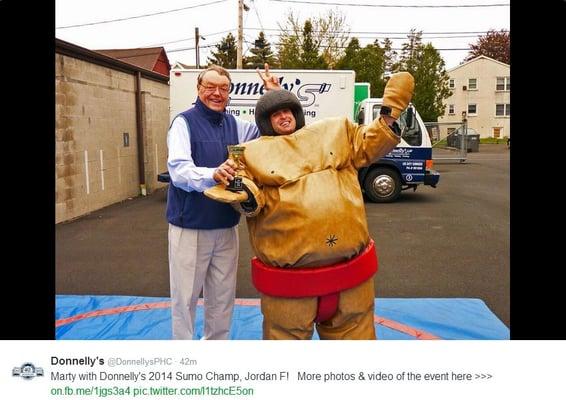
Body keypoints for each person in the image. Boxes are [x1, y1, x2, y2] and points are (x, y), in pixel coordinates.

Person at [205, 69, 414, 339]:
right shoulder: (251, 152)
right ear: (265, 122)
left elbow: (367, 144)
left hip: (350, 280)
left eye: (288, 110)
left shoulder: (334, 131)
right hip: (291, 287)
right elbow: (243, 185)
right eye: (275, 113)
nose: (284, 116)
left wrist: (389, 114)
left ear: (298, 112)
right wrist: (242, 192)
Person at [166, 65, 262, 340]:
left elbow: (268, 134)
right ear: (198, 89)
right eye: (210, 87)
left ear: (229, 92)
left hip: (225, 227)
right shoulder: (183, 123)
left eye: (223, 88)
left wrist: (273, 93)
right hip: (190, 227)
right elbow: (179, 170)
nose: (216, 93)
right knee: (185, 299)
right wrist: (212, 174)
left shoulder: (236, 125)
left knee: (222, 300)